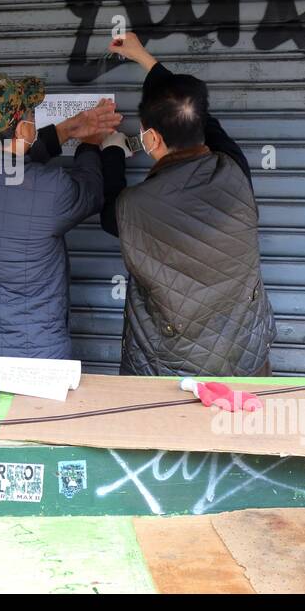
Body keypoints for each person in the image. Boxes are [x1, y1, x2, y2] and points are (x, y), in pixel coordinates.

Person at [100, 32, 275, 378]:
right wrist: (147, 60)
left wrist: (110, 151)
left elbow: (109, 208)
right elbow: (200, 117)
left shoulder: (132, 208)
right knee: (242, 428)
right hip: (245, 357)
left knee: (170, 432)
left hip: (167, 370)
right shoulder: (234, 169)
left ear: (150, 139)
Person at [0, 73, 121, 359]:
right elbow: (92, 190)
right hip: (32, 360)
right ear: (23, 129)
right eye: (33, 115)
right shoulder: (52, 190)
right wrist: (90, 144)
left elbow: (8, 166)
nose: (36, 120)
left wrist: (67, 129)